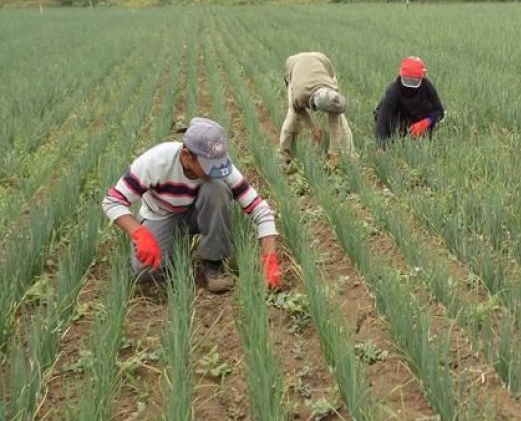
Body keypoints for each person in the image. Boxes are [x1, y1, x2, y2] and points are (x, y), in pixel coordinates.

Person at [102, 117, 280, 293]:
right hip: (162, 215)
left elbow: (260, 209)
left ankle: (213, 263)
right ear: (186, 156)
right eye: (208, 165)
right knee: (144, 272)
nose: (216, 170)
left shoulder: (221, 167)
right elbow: (112, 201)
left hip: (199, 213)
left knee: (216, 188)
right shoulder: (156, 161)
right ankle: (176, 258)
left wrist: (269, 260)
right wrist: (139, 234)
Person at [280, 52, 355, 169]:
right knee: (292, 120)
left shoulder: (333, 93)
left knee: (341, 120)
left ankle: (350, 156)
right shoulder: (300, 95)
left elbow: (335, 123)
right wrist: (312, 128)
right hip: (295, 66)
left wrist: (333, 153)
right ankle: (284, 156)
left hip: (321, 61)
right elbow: (298, 110)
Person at [374, 56, 445, 146]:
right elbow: (382, 119)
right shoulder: (393, 91)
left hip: (418, 120)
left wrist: (427, 122)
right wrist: (381, 146)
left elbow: (439, 111)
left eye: (414, 81)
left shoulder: (426, 86)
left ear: (421, 78)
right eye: (408, 80)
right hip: (398, 120)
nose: (411, 85)